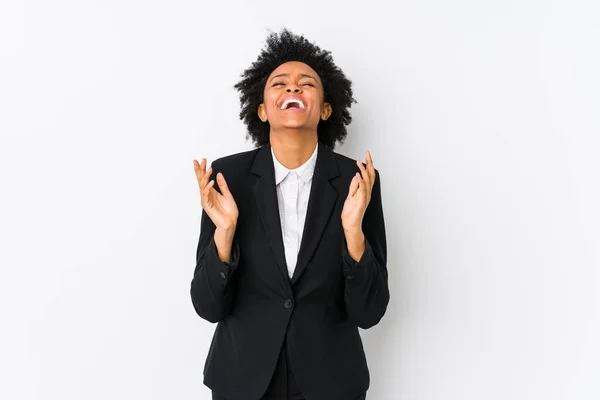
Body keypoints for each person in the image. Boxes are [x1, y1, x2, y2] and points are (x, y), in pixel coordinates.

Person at [190, 29, 390, 400]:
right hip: (242, 379)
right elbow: (208, 306)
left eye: (307, 84)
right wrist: (225, 232)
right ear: (263, 109)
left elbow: (370, 312)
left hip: (331, 381)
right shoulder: (227, 178)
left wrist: (353, 234)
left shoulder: (357, 181)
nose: (293, 90)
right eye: (280, 84)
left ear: (326, 108)